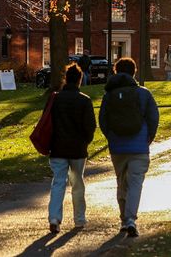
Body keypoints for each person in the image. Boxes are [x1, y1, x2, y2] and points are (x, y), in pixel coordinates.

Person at [99, 57, 159, 238]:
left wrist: (110, 136)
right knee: (135, 183)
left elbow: (103, 120)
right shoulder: (143, 93)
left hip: (117, 146)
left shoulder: (109, 94)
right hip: (139, 145)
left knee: (121, 182)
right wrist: (149, 137)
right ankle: (131, 219)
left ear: (116, 72)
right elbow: (153, 117)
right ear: (134, 72)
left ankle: (124, 220)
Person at [47, 63, 96, 234]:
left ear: (66, 79)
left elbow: (48, 124)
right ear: (80, 80)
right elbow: (90, 127)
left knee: (58, 183)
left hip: (58, 148)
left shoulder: (55, 99)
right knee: (77, 183)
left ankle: (54, 218)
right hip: (77, 150)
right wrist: (85, 142)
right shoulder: (84, 100)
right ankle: (79, 219)